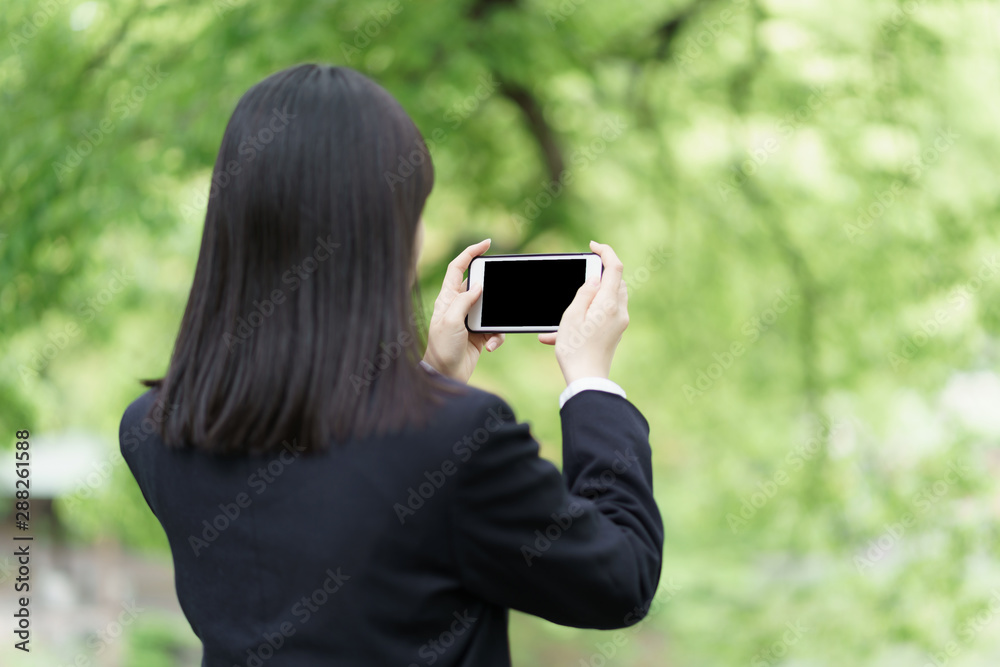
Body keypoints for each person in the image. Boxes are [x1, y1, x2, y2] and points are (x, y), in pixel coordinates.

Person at [119, 63, 663, 667]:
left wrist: (433, 379)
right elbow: (619, 580)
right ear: (381, 232)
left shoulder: (155, 429)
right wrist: (590, 382)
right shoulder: (458, 440)